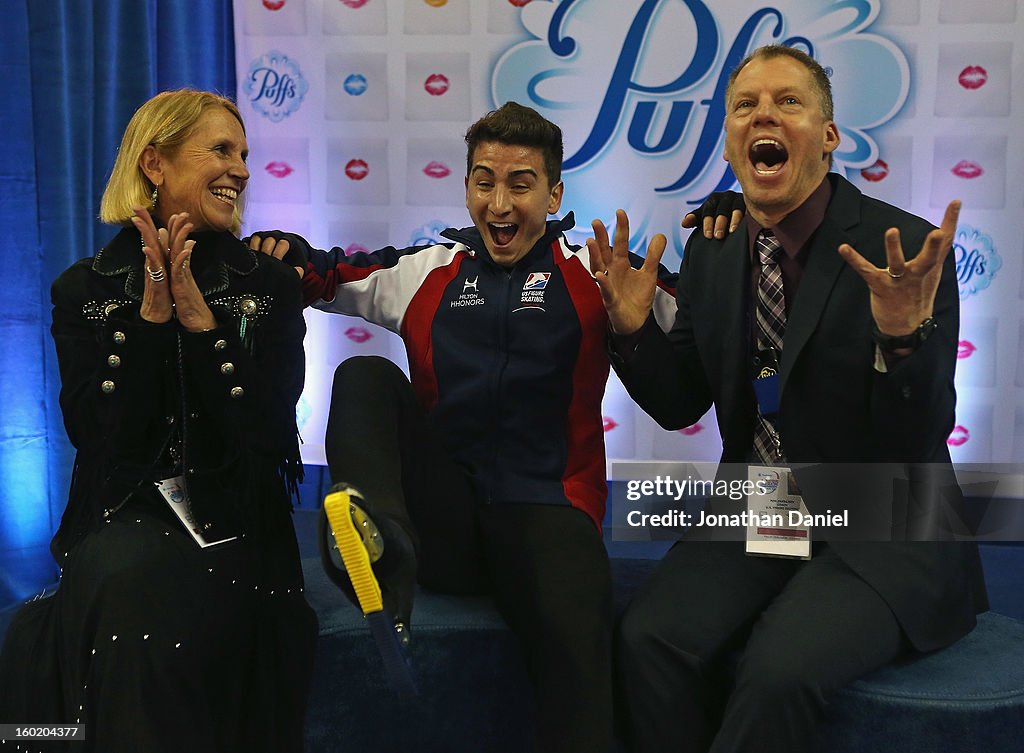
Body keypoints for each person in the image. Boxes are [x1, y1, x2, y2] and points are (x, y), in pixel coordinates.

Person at [252, 101, 738, 752]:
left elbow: (725, 304)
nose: (499, 201)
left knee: (577, 674)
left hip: (549, 516)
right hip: (440, 525)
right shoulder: (429, 268)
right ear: (466, 187)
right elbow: (329, 275)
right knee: (364, 372)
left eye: (520, 182)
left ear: (554, 192)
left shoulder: (602, 272)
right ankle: (379, 543)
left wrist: (731, 233)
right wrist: (277, 255)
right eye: (484, 180)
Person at [587, 45, 988, 753]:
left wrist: (902, 341)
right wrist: (631, 328)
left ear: (828, 137)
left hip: (887, 519)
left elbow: (918, 437)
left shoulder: (906, 251)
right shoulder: (715, 246)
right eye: (745, 105)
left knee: (777, 670)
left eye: (788, 102)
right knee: (649, 639)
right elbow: (683, 401)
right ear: (731, 138)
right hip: (765, 506)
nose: (763, 114)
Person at [0, 90, 317, 752]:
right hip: (124, 516)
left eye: (245, 154)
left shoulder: (272, 282)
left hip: (239, 523)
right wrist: (146, 325)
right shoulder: (82, 289)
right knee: (122, 579)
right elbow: (100, 438)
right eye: (221, 151)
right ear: (154, 163)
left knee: (134, 589)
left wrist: (205, 328)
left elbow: (267, 430)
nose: (242, 169)